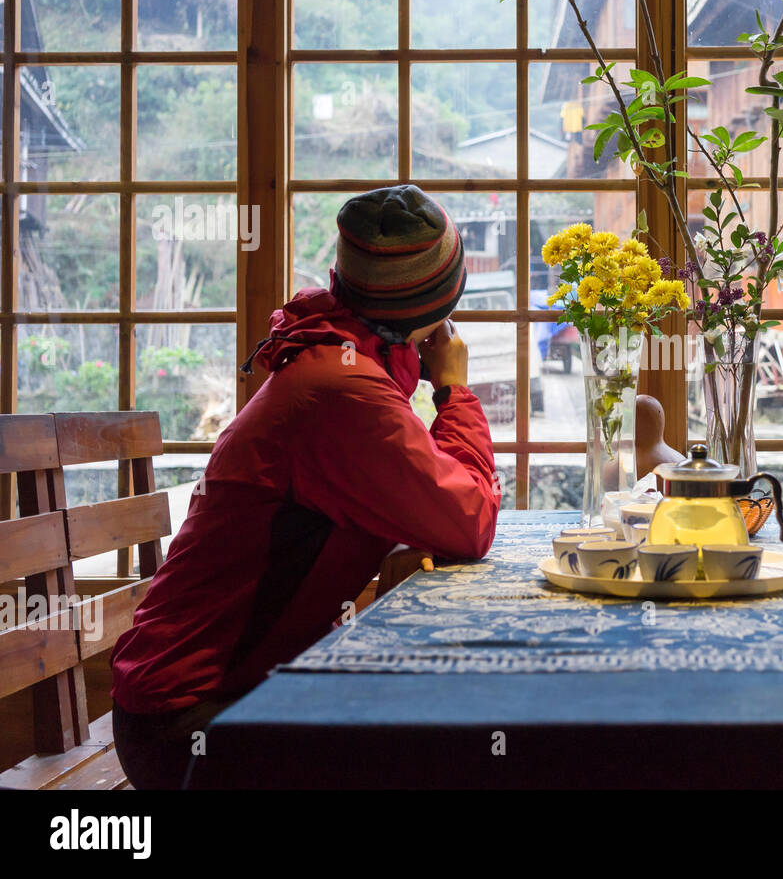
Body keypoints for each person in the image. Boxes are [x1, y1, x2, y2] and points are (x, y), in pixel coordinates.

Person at [110, 185, 502, 789]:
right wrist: (453, 389)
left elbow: (437, 504)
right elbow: (471, 520)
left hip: (221, 693)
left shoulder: (338, 363)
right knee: (448, 751)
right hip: (191, 724)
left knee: (435, 727)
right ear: (437, 306)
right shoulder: (341, 391)